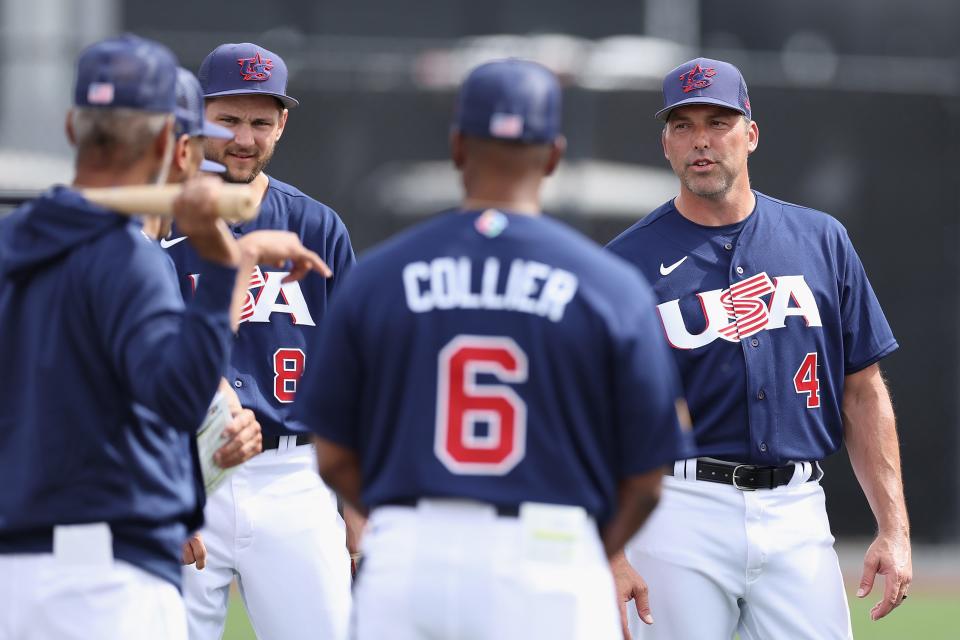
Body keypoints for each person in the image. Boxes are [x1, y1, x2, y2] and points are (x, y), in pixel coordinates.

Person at [292, 58, 694, 640]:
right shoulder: (606, 285)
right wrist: (590, 544)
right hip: (549, 549)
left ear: (457, 146)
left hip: (411, 551)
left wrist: (399, 525)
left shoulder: (380, 276)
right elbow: (651, 466)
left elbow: (330, 452)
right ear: (554, 155)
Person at [606, 57, 911, 639]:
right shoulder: (626, 263)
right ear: (665, 145)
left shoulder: (821, 240)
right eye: (683, 125)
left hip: (797, 509)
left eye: (718, 122)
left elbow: (863, 391)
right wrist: (612, 550)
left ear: (751, 133)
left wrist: (893, 528)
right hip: (678, 507)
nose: (701, 141)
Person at [0, 34, 242, 640]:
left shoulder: (13, 244)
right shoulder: (128, 257)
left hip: (13, 573)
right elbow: (181, 400)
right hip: (105, 579)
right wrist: (219, 275)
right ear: (169, 142)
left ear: (70, 127)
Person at [165, 43, 357, 640]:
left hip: (293, 473)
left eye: (260, 122)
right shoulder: (160, 222)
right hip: (186, 465)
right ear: (197, 118)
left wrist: (355, 506)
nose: (244, 138)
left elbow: (354, 372)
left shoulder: (315, 225)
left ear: (282, 124)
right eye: (228, 120)